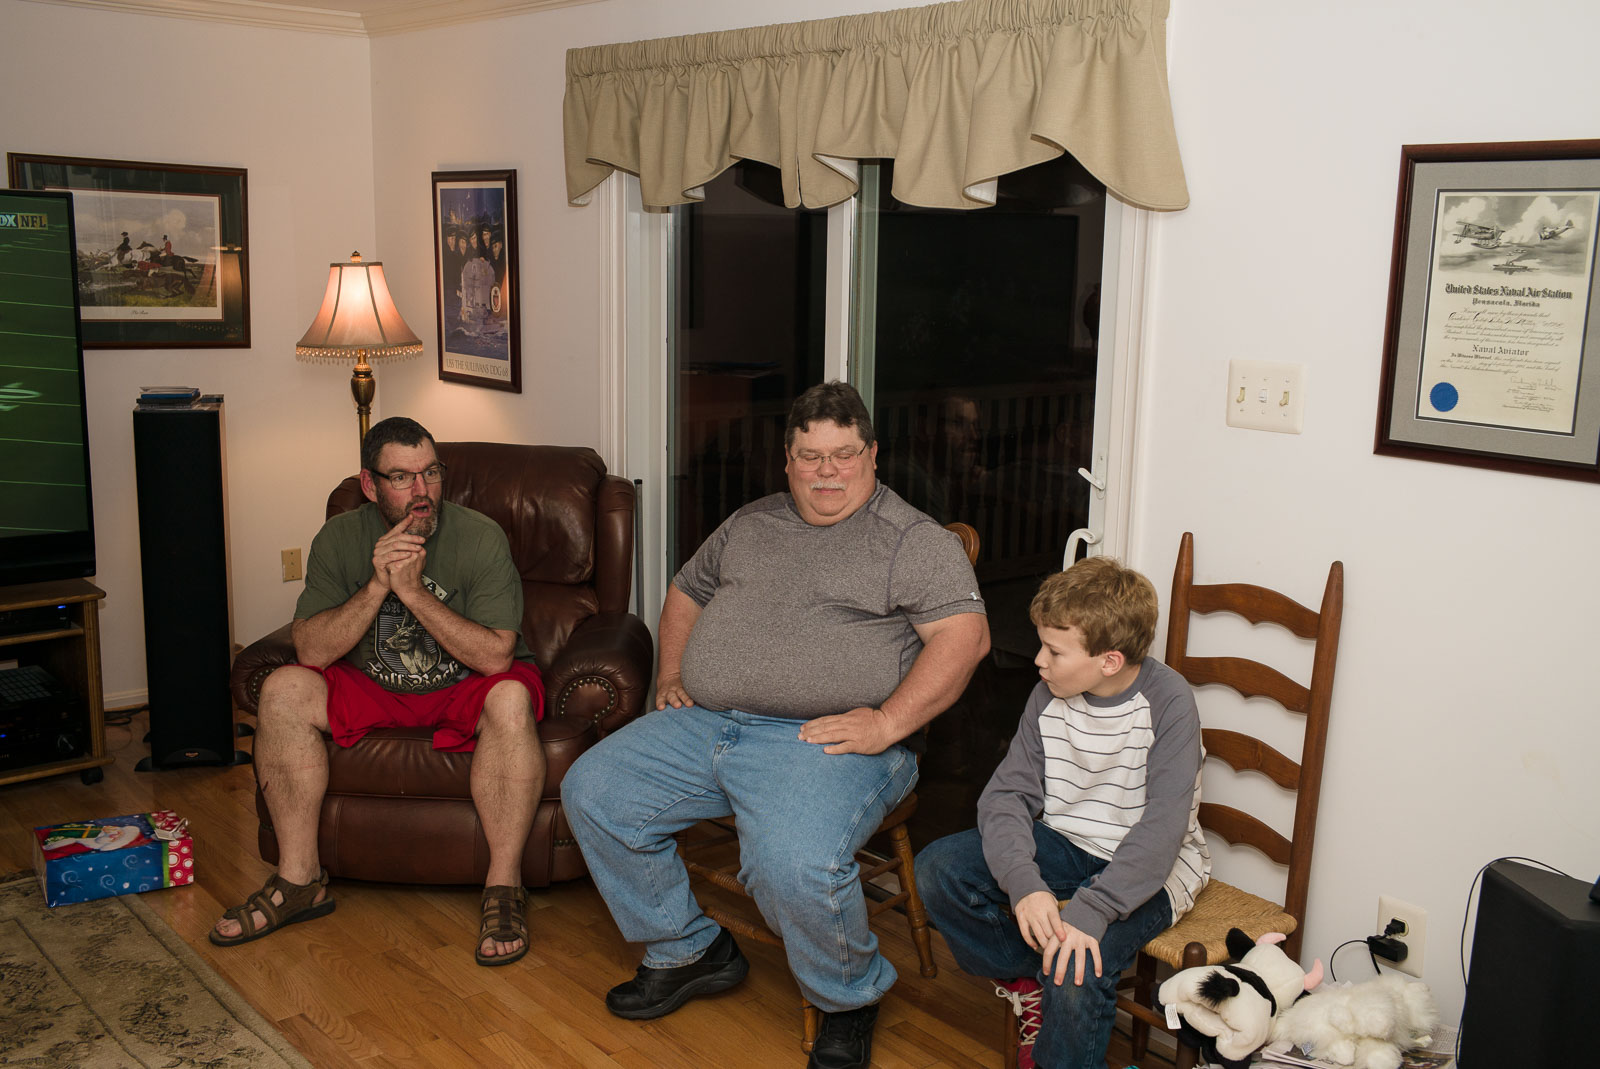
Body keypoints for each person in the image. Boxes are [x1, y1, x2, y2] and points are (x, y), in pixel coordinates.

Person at [563, 381, 990, 1069]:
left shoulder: (910, 539)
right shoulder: (751, 522)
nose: (827, 472)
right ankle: (688, 948)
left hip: (826, 742)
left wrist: (888, 722)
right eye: (810, 456)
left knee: (791, 863)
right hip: (710, 722)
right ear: (787, 460)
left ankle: (847, 999)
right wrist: (672, 673)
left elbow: (965, 638)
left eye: (843, 454)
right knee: (593, 790)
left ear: (872, 455)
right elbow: (686, 590)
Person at [209, 417, 547, 966]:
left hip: (466, 684)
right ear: (370, 484)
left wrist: (412, 593)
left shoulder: (480, 536)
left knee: (510, 698)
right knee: (283, 689)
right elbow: (311, 651)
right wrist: (376, 586)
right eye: (402, 477)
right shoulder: (340, 537)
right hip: (373, 684)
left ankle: (504, 887)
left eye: (431, 473)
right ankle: (299, 880)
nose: (422, 491)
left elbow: (494, 657)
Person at [914, 557, 1210, 1069]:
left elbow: (1161, 831)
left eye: (1054, 650)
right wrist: (1025, 885)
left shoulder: (1169, 703)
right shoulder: (1048, 695)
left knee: (1075, 966)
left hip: (1153, 866)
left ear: (1109, 661)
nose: (1038, 661)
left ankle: (1056, 1006)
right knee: (938, 869)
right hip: (1067, 841)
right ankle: (1034, 982)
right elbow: (1007, 797)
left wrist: (1093, 911)